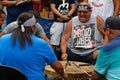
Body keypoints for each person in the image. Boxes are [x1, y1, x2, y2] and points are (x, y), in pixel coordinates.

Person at [0, 12, 68, 80]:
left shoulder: (2, 39)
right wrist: (64, 75)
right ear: (32, 27)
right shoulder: (41, 44)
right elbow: (57, 67)